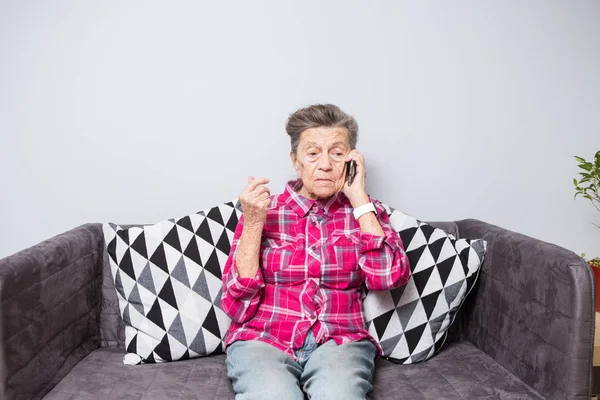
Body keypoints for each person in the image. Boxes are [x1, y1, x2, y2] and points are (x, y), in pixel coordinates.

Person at [221, 104, 410, 400]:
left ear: (351, 161)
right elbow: (237, 307)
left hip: (340, 341)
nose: (325, 165)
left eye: (336, 153)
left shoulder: (365, 212)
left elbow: (388, 278)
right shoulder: (263, 210)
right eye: (312, 153)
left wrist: (359, 198)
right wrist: (254, 222)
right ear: (295, 162)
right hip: (263, 339)